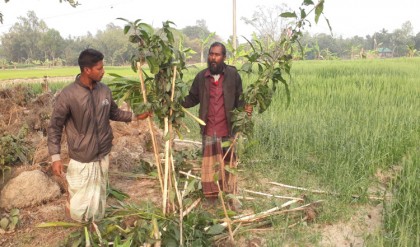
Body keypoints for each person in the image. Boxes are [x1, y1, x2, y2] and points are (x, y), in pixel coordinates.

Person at [47, 48, 150, 222]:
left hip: (103, 152)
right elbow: (55, 127)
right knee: (79, 200)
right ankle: (76, 213)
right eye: (99, 68)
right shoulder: (68, 95)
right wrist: (55, 157)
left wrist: (135, 116)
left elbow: (114, 113)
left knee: (98, 193)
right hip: (82, 156)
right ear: (87, 70)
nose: (103, 71)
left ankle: (93, 221)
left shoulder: (104, 91)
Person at [182, 42, 252, 204]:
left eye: (217, 55)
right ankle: (212, 198)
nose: (213, 58)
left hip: (227, 128)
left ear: (224, 57)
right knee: (210, 167)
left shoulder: (233, 75)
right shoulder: (201, 77)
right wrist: (175, 101)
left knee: (228, 164)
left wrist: (246, 109)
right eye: (211, 54)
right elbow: (192, 98)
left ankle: (230, 196)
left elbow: (239, 98)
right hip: (209, 128)